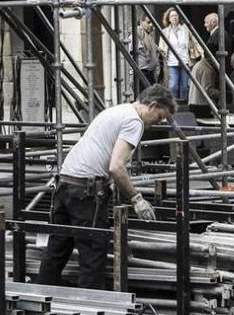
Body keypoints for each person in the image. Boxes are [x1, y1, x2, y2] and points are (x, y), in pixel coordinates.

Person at [37, 84, 175, 289]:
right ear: (152, 105)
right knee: (92, 255)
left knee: (57, 249)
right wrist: (137, 199)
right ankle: (90, 308)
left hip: (65, 184)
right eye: (160, 116)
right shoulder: (134, 121)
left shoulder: (116, 110)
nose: (158, 123)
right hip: (86, 192)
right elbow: (116, 167)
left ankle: (40, 300)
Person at [157, 8, 199, 102]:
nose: (174, 17)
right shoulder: (165, 32)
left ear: (179, 17)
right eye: (172, 16)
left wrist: (201, 53)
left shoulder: (186, 29)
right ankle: (174, 106)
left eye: (176, 15)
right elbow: (161, 48)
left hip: (186, 60)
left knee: (185, 85)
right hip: (172, 62)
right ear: (168, 19)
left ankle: (184, 105)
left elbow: (195, 42)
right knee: (173, 85)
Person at [129, 16, 158, 89]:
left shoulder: (149, 36)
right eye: (148, 22)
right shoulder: (135, 36)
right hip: (141, 73)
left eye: (152, 23)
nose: (151, 25)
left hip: (150, 74)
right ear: (141, 22)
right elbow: (130, 57)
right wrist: (131, 75)